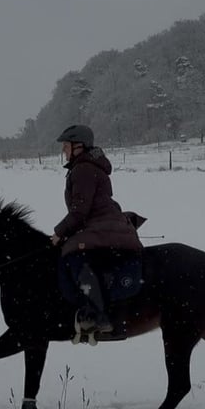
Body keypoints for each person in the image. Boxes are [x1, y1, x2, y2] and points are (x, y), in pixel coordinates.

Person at [51, 124, 143, 334]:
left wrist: (59, 232)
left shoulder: (83, 169)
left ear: (79, 146)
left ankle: (97, 316)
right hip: (99, 224)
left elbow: (79, 212)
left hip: (101, 226)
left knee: (75, 259)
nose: (63, 150)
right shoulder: (85, 166)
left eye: (66, 145)